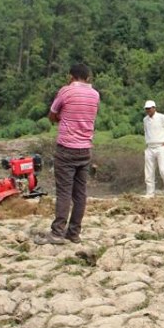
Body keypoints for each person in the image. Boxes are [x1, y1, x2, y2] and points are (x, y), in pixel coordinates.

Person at [36, 63, 100, 245]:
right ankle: (74, 233)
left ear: (71, 76)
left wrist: (62, 117)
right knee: (80, 193)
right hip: (85, 148)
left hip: (66, 148)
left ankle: (57, 233)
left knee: (64, 191)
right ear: (88, 78)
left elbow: (52, 115)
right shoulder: (95, 95)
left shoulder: (66, 91)